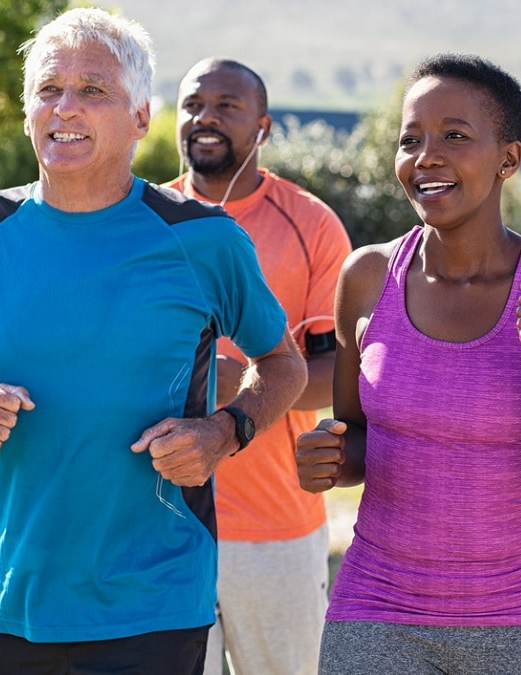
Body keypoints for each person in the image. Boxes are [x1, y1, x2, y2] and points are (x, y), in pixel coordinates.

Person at [0, 9, 307, 674]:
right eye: (48, 89)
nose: (65, 107)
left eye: (93, 90)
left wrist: (224, 431)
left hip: (158, 601)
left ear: (140, 118)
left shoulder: (203, 239)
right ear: (26, 114)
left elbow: (284, 365)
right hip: (17, 597)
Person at [294, 53, 521, 675]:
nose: (425, 156)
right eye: (411, 140)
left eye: (454, 136)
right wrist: (329, 456)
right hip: (378, 614)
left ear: (508, 159)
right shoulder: (366, 277)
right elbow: (356, 440)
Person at [165, 57, 352, 675]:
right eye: (193, 105)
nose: (206, 118)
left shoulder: (313, 225)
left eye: (227, 106)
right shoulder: (139, 222)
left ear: (263, 127)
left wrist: (241, 382)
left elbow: (341, 372)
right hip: (156, 524)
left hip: (275, 524)